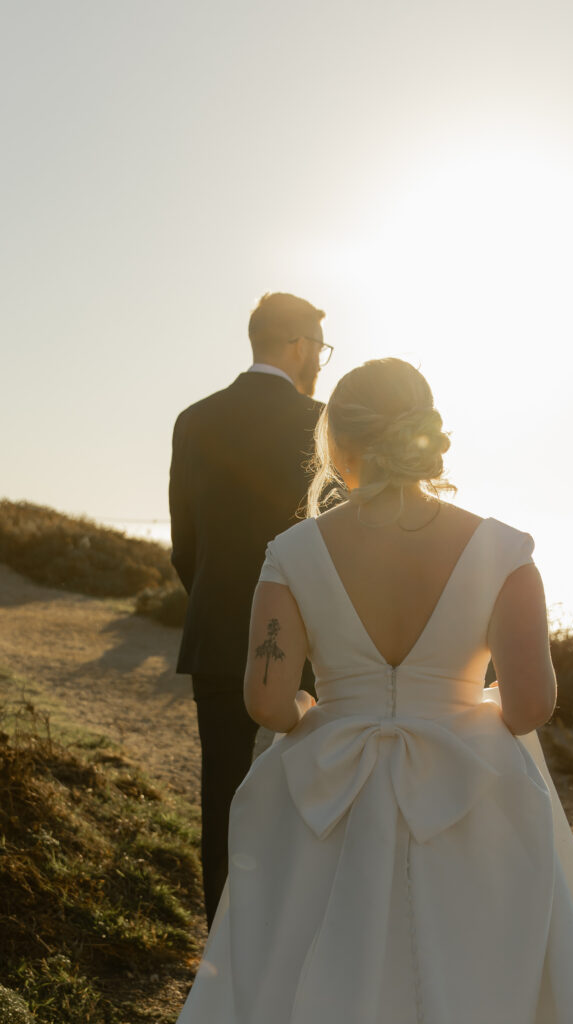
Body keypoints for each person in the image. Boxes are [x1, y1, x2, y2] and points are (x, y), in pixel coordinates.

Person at [176, 358, 573, 1023]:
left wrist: (314, 711)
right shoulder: (502, 550)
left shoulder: (294, 551)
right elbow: (530, 705)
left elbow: (268, 703)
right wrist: (458, 711)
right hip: (470, 789)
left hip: (331, 788)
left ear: (340, 443)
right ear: (424, 434)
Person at [169, 291, 331, 928]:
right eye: (319, 345)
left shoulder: (195, 419)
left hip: (217, 638)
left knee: (224, 798)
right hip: (314, 639)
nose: (320, 358)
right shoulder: (321, 421)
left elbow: (187, 547)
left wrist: (221, 609)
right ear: (297, 344)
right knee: (317, 789)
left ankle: (223, 951)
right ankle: (306, 935)